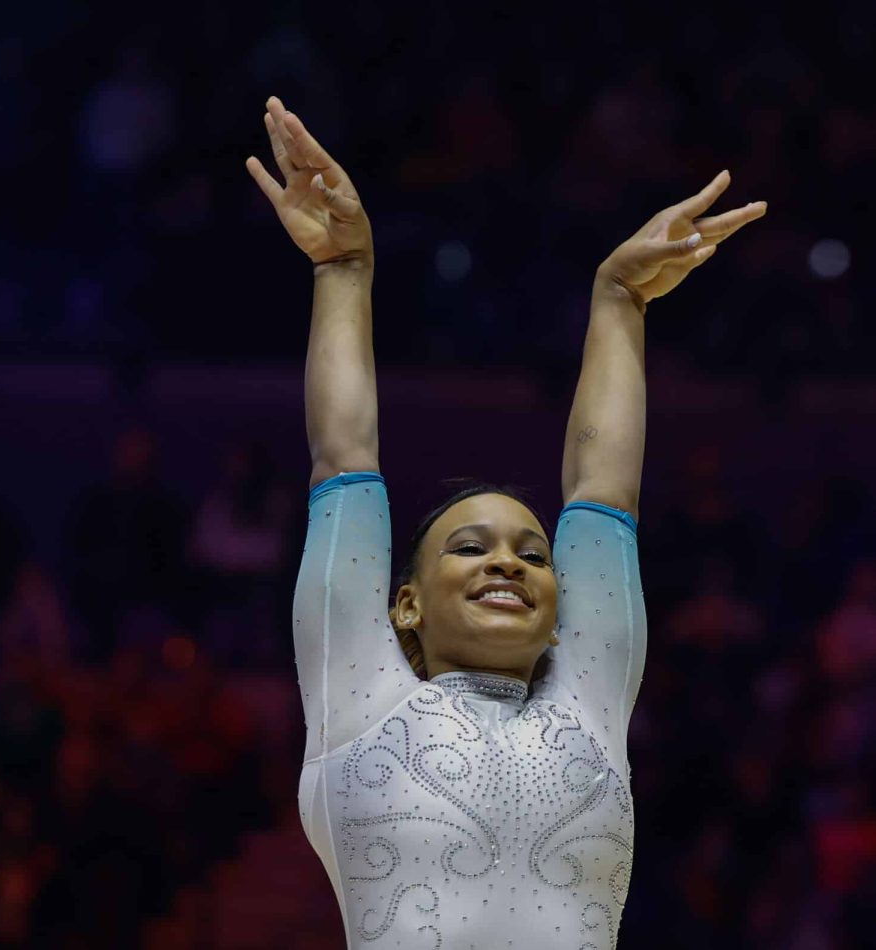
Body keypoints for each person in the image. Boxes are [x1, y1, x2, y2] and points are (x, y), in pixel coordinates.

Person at [245, 94, 766, 949]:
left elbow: (606, 491)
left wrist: (619, 300)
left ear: (566, 606)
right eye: (470, 545)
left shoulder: (589, 698)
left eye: (533, 552)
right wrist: (342, 270)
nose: (510, 562)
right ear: (404, 603)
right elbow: (343, 458)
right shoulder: (359, 695)